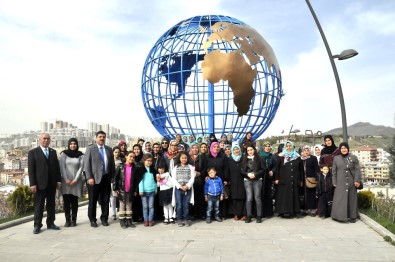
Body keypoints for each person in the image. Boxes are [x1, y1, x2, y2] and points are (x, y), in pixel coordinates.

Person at [28, 133, 62, 234]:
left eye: (48, 139)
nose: (46, 140)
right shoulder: (33, 152)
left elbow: (57, 168)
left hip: (51, 184)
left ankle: (50, 223)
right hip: (39, 184)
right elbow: (31, 170)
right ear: (40, 140)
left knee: (51, 205)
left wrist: (58, 180)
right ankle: (37, 225)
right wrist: (32, 183)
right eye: (44, 138)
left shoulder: (53, 152)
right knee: (39, 205)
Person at [84, 131, 115, 227]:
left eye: (103, 137)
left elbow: (112, 165)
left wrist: (112, 177)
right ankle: (92, 219)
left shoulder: (109, 149)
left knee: (105, 200)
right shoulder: (90, 149)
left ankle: (104, 218)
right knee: (93, 200)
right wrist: (89, 177)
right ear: (96, 138)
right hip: (94, 179)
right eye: (100, 137)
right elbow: (86, 164)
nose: (102, 138)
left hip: (106, 178)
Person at [331, 142, 362, 223]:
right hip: (340, 182)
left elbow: (357, 170)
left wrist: (356, 180)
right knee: (339, 199)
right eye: (342, 148)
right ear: (340, 150)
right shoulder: (336, 158)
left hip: (351, 182)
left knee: (352, 199)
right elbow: (333, 171)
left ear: (348, 149)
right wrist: (334, 182)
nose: (343, 150)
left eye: (345, 148)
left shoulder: (353, 157)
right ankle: (339, 216)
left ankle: (352, 216)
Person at [274, 141, 303, 218]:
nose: (289, 147)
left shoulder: (297, 157)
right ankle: (283, 211)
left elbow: (301, 170)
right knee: (283, 195)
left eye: (290, 146)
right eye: (287, 146)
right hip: (283, 180)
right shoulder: (280, 156)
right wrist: (276, 178)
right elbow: (277, 169)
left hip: (295, 179)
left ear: (293, 147)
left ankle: (295, 211)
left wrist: (301, 180)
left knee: (295, 195)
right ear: (285, 147)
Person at [60, 138, 84, 227]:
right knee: (66, 201)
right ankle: (67, 220)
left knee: (74, 201)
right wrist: (66, 179)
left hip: (76, 182)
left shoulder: (80, 155)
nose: (73, 145)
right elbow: (62, 167)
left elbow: (81, 168)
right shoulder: (64, 154)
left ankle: (74, 220)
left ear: (77, 145)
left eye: (74, 144)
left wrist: (75, 180)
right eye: (71, 144)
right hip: (65, 181)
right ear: (68, 144)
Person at [113, 151, 138, 228]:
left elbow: (136, 180)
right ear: (126, 156)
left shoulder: (134, 168)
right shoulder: (120, 167)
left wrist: (135, 190)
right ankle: (122, 221)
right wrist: (115, 189)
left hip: (130, 190)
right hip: (122, 190)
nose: (132, 158)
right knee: (122, 206)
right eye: (130, 156)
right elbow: (115, 179)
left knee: (129, 206)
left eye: (133, 157)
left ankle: (129, 221)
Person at [241, 145, 265, 223]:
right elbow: (241, 170)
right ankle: (249, 216)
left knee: (257, 198)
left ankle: (259, 216)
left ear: (254, 150)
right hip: (247, 180)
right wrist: (247, 174)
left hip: (257, 180)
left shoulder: (260, 159)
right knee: (249, 198)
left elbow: (264, 169)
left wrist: (256, 174)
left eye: (251, 150)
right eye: (248, 150)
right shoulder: (244, 159)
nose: (250, 152)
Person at [171, 151, 196, 227]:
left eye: (185, 158)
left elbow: (192, 178)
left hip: (187, 189)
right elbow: (174, 179)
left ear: (187, 158)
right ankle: (179, 219)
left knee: (186, 205)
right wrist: (180, 186)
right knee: (179, 205)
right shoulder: (176, 167)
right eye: (182, 158)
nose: (184, 159)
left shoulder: (190, 167)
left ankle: (186, 219)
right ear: (179, 158)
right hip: (178, 189)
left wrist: (187, 186)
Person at [206, 142, 229, 219]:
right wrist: (206, 176)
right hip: (211, 180)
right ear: (211, 148)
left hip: (220, 179)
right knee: (211, 198)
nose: (216, 148)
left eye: (217, 147)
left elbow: (226, 168)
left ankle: (221, 215)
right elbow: (206, 168)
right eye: (214, 147)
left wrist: (226, 179)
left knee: (221, 197)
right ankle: (211, 215)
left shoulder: (223, 156)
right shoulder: (208, 157)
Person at [136, 153, 157, 227]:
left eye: (151, 161)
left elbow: (155, 181)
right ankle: (146, 220)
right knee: (145, 206)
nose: (149, 162)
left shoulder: (153, 170)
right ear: (144, 161)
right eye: (147, 160)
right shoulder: (141, 169)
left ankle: (150, 220)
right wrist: (141, 190)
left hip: (151, 191)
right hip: (144, 191)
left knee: (151, 206)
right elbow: (140, 181)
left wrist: (155, 189)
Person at [227, 144, 246, 221]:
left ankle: (244, 214)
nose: (236, 151)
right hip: (233, 180)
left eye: (237, 149)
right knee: (234, 197)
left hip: (242, 180)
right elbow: (227, 170)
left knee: (243, 197)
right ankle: (236, 214)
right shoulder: (229, 160)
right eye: (234, 149)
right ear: (232, 151)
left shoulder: (243, 159)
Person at [188, 143, 207, 221]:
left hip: (200, 180)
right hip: (191, 180)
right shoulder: (189, 158)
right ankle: (193, 214)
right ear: (191, 149)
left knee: (200, 198)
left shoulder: (202, 157)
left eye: (196, 148)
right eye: (193, 148)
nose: (195, 149)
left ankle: (201, 214)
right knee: (192, 197)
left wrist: (200, 173)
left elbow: (206, 168)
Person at [300, 145, 320, 216]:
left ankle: (312, 209)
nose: (306, 152)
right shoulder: (301, 159)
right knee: (304, 194)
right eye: (305, 150)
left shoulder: (313, 158)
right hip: (303, 179)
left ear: (310, 151)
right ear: (303, 151)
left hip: (311, 179)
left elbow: (316, 168)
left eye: (307, 150)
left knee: (311, 194)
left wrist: (317, 178)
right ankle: (305, 209)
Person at [259, 141, 275, 218]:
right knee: (260, 194)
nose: (268, 147)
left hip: (268, 178)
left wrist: (272, 171)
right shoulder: (259, 156)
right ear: (263, 147)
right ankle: (260, 212)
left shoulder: (272, 156)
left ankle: (268, 212)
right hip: (261, 178)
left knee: (268, 194)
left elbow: (275, 166)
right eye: (266, 146)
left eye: (269, 146)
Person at [110, 146, 123, 220]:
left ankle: (121, 212)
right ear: (113, 152)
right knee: (113, 197)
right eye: (115, 152)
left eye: (118, 152)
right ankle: (114, 213)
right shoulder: (110, 161)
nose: (117, 153)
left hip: (120, 181)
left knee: (120, 197)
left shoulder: (122, 161)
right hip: (112, 181)